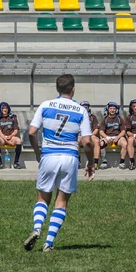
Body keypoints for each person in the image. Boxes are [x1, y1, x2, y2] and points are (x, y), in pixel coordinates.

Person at [23, 74, 95, 252]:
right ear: (73, 89)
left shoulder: (45, 105)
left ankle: (37, 227)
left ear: (57, 89)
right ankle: (48, 243)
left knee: (43, 198)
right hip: (69, 157)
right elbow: (87, 142)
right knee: (61, 201)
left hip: (49, 155)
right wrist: (91, 163)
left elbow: (32, 132)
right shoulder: (80, 110)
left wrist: (38, 152)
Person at [0, 102, 22, 169]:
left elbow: (16, 130)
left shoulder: (13, 117)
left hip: (11, 136)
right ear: (0, 109)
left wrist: (11, 136)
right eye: (3, 108)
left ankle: (16, 162)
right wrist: (7, 141)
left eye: (6, 108)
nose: (5, 110)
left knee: (19, 141)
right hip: (2, 137)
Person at [98, 102, 127, 169]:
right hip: (108, 136)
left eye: (114, 108)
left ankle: (122, 162)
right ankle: (104, 162)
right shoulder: (105, 119)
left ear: (116, 110)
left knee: (125, 144)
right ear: (108, 109)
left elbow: (123, 131)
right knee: (101, 143)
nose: (112, 110)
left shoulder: (120, 119)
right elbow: (101, 131)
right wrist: (107, 137)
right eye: (110, 108)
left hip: (118, 136)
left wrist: (117, 137)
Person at [78, 101, 100, 170]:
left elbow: (96, 129)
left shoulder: (92, 117)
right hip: (80, 135)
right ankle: (78, 161)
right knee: (77, 140)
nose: (84, 108)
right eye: (83, 107)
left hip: (90, 135)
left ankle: (95, 162)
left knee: (96, 141)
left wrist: (91, 135)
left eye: (86, 107)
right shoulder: (77, 116)